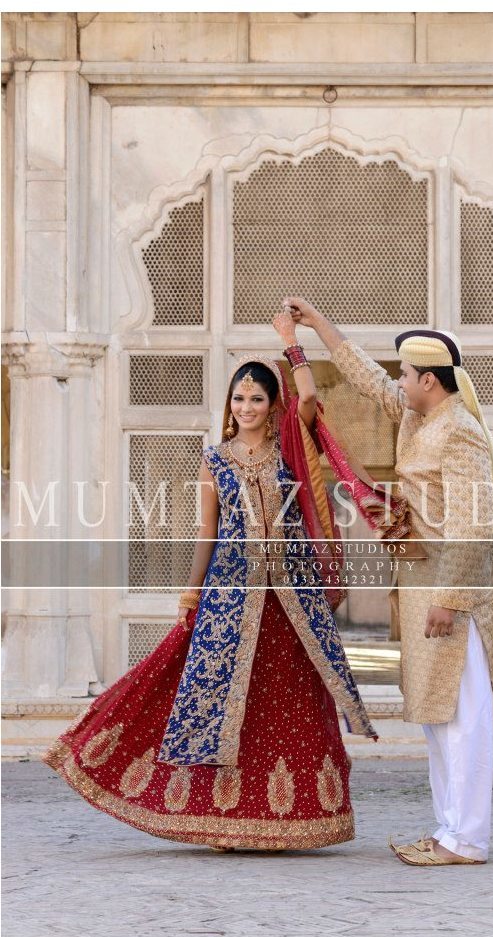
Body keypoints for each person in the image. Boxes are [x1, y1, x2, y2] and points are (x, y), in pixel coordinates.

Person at [42, 309, 408, 852]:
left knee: (286, 701)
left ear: (273, 405)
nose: (246, 407)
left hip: (292, 598)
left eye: (256, 398)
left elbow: (309, 397)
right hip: (230, 597)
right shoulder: (214, 461)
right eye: (239, 398)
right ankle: (221, 819)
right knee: (216, 700)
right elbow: (206, 532)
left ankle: (292, 820)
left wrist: (293, 341)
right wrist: (192, 592)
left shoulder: (291, 449)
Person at [284, 295, 493, 866]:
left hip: (451, 593)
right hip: (422, 584)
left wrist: (451, 599)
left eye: (405, 373)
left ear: (429, 380)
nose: (397, 381)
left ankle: (467, 839)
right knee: (437, 717)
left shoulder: (459, 431)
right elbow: (369, 379)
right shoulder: (420, 417)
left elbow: (472, 523)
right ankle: (449, 831)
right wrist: (318, 323)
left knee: (464, 717)